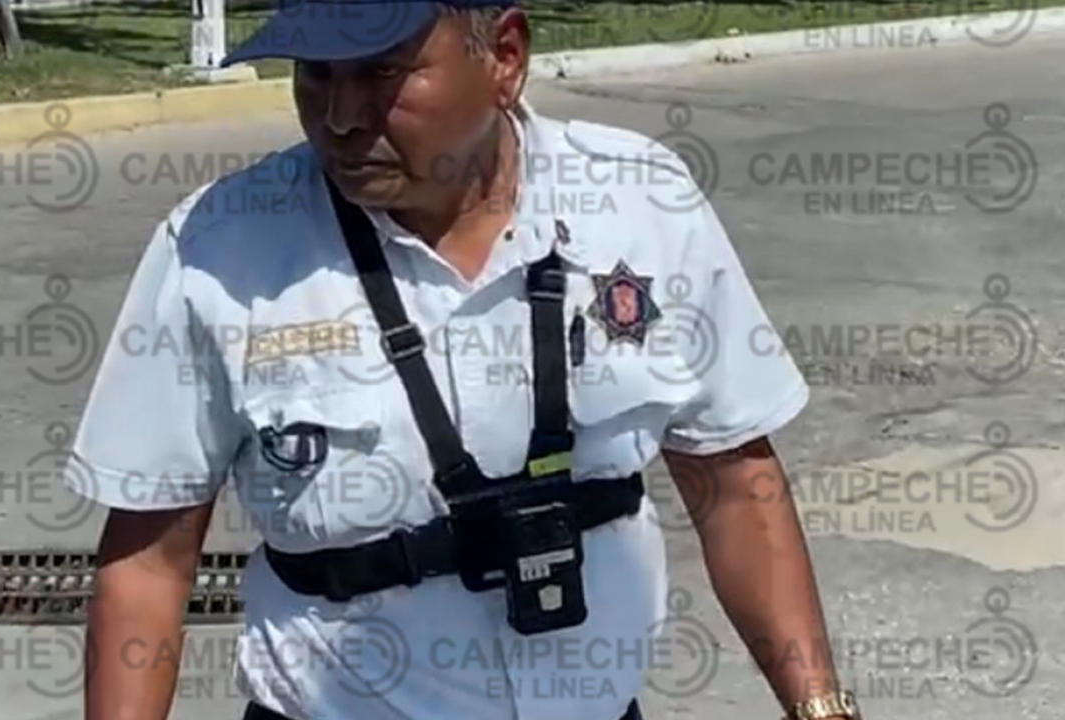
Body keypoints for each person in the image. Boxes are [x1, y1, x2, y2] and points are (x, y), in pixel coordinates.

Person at [65, 2, 862, 720]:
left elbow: (734, 485)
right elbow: (148, 566)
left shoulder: (641, 201)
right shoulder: (218, 251)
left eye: (381, 72)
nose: (340, 116)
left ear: (504, 57)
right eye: (316, 74)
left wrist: (819, 707)